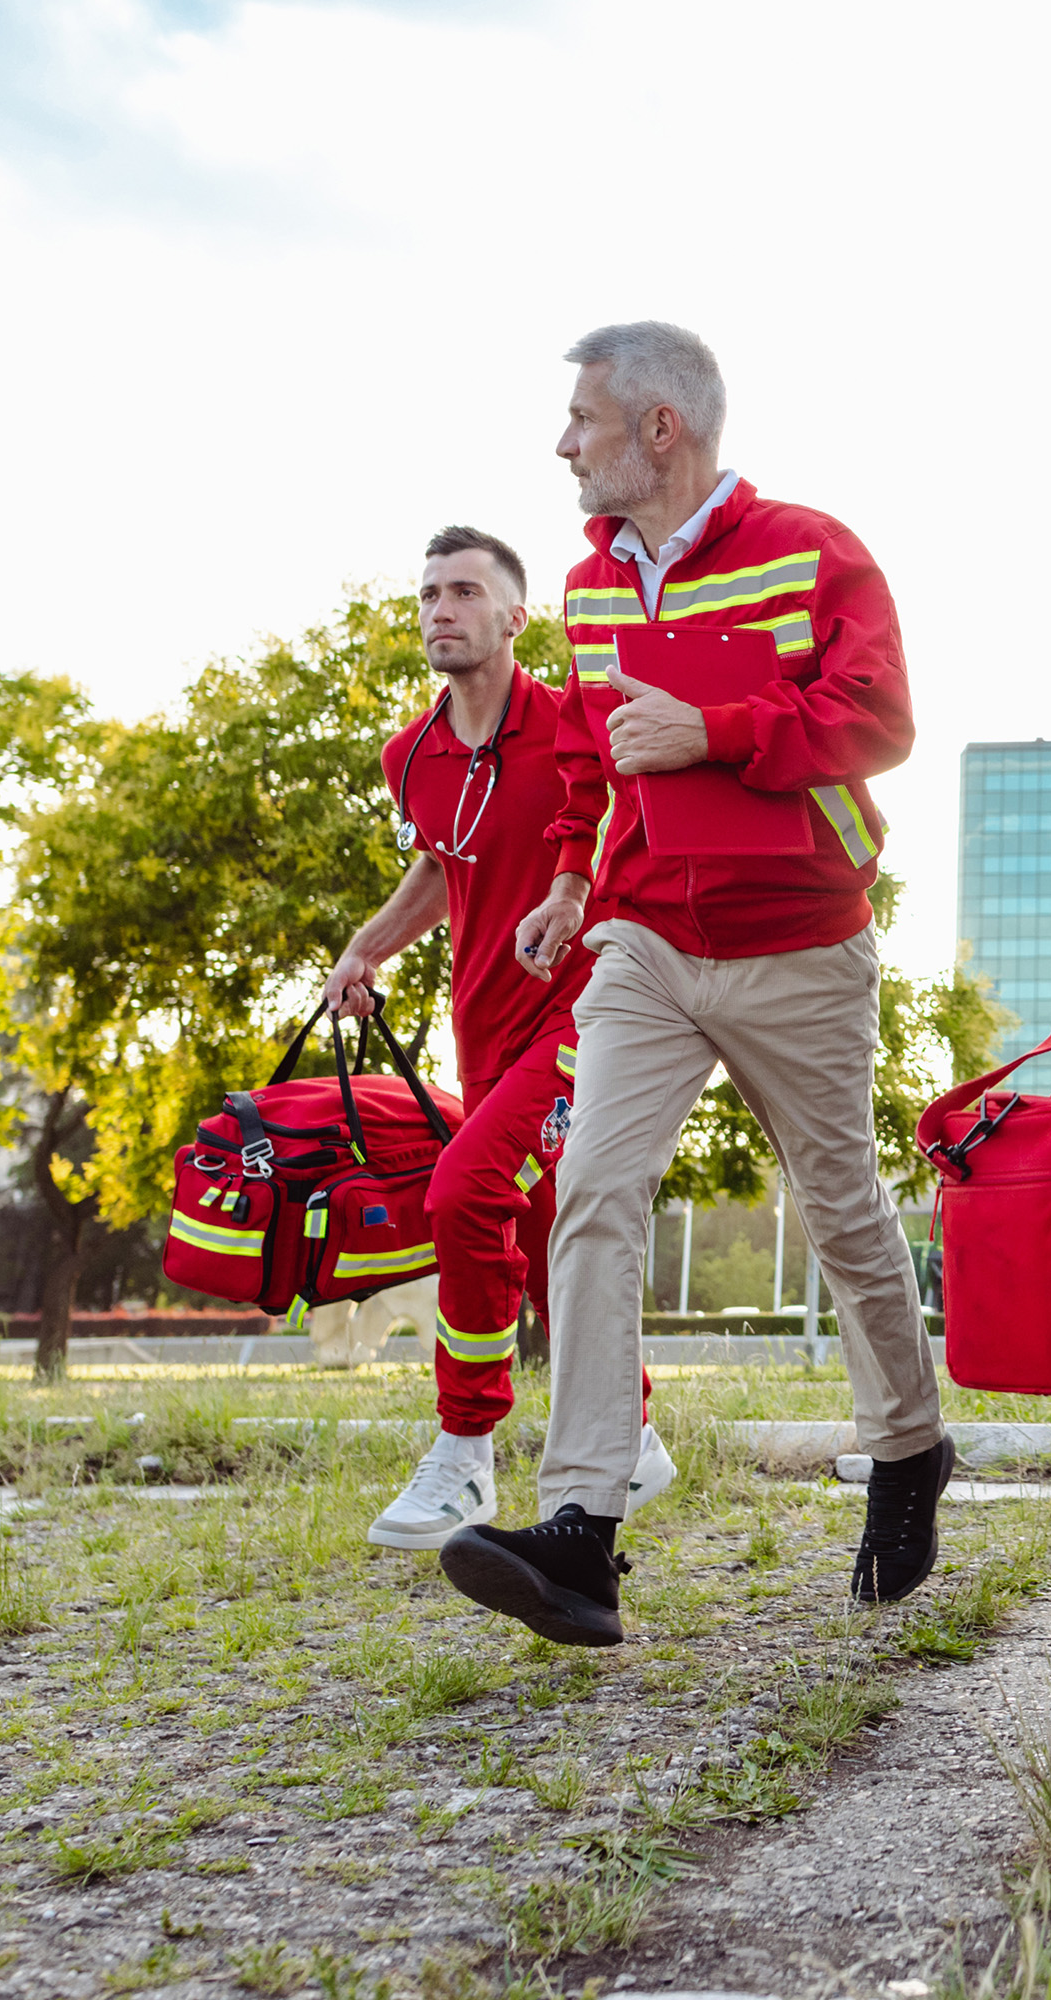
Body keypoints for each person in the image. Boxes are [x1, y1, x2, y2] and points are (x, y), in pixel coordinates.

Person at [436, 322, 949, 1646]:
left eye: (584, 421)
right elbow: (600, 769)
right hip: (645, 942)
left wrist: (721, 729)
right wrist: (566, 881)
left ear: (659, 429)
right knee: (595, 1193)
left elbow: (881, 721)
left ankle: (908, 1451)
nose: (564, 444)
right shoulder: (591, 582)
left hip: (800, 943)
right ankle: (582, 1532)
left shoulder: (814, 552)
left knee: (840, 1210)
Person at [324, 527, 671, 1551]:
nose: (442, 608)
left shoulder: (576, 722)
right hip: (485, 1030)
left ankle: (464, 1453)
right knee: (547, 1236)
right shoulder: (412, 755)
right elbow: (443, 866)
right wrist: (367, 947)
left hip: (586, 1015)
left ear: (516, 617)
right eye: (430, 592)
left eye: (466, 591)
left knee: (465, 1190)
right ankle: (635, 1432)